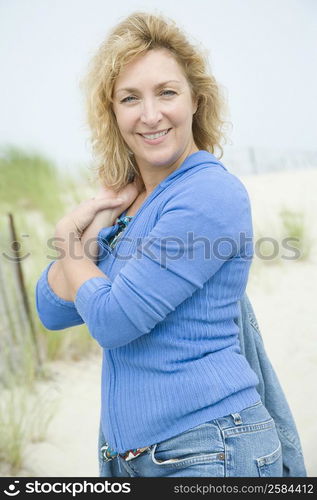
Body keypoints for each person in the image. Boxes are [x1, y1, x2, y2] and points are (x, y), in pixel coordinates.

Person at [35, 12, 284, 477]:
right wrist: (100, 219)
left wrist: (69, 240)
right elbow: (53, 309)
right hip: (134, 458)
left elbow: (111, 320)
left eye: (166, 92)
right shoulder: (133, 203)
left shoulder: (207, 193)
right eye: (130, 98)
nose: (150, 115)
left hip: (209, 448)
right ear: (112, 113)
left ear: (196, 100)